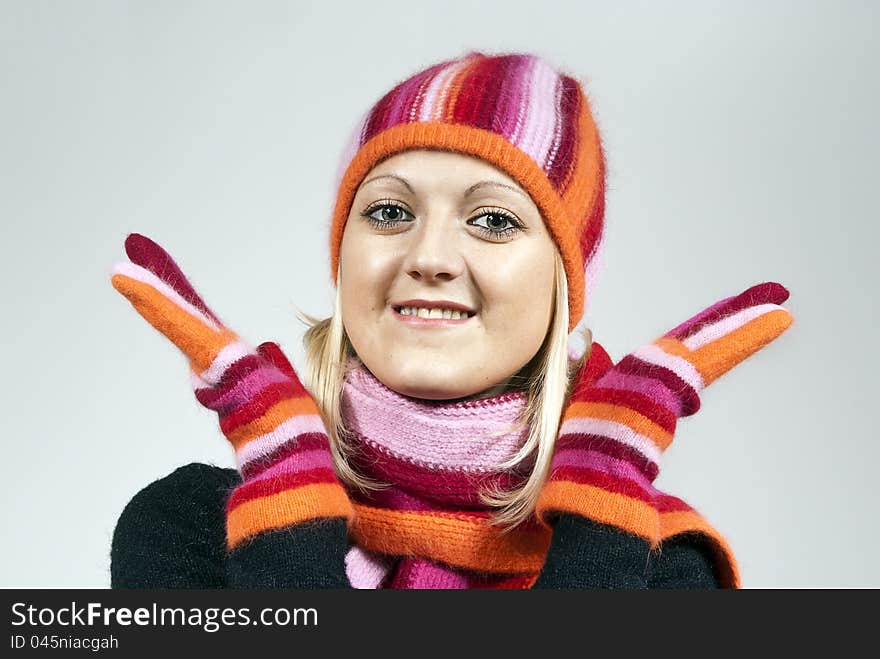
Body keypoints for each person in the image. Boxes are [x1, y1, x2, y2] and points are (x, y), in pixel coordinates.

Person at [109, 51, 793, 589]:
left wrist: (599, 505)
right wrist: (287, 505)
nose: (429, 256)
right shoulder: (193, 524)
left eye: (493, 220)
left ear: (562, 281)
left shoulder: (656, 562)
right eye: (389, 211)